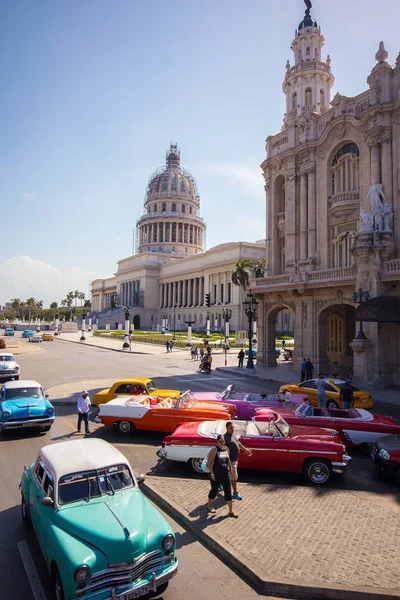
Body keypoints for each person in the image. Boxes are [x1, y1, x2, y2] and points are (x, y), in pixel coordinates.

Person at [206, 434, 238, 518]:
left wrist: (230, 468)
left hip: (225, 473)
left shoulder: (226, 449)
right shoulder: (214, 449)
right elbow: (209, 463)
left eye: (223, 441)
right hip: (216, 474)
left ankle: (231, 511)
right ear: (217, 442)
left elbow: (228, 460)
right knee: (214, 490)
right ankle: (209, 505)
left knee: (228, 491)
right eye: (220, 441)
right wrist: (212, 473)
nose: (222, 443)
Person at [223, 421, 252, 500]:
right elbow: (224, 451)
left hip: (235, 460)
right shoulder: (225, 438)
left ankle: (221, 484)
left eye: (233, 427)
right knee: (234, 478)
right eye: (230, 428)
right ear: (227, 428)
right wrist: (228, 464)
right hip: (231, 462)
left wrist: (245, 450)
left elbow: (238, 443)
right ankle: (235, 493)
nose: (232, 429)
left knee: (229, 476)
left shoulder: (233, 435)